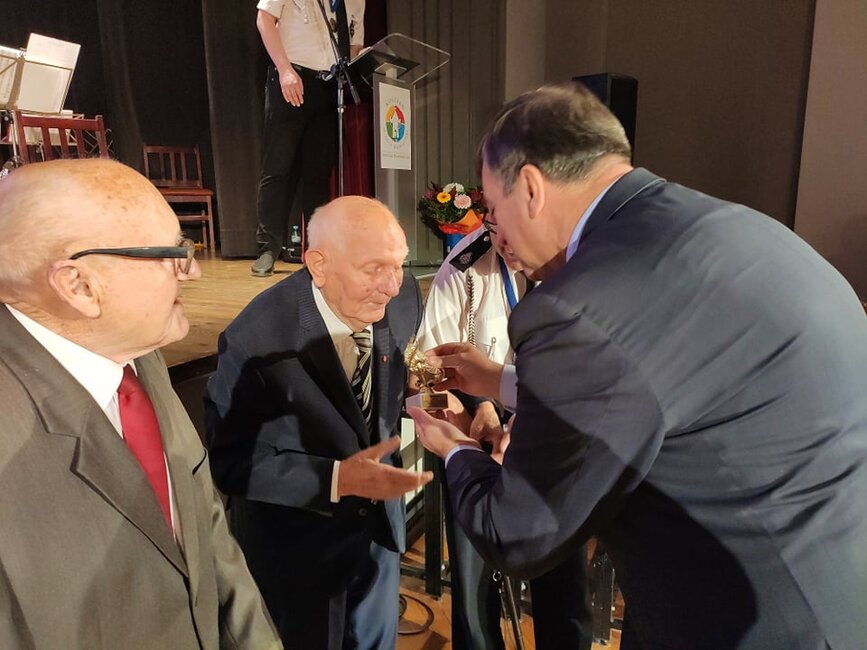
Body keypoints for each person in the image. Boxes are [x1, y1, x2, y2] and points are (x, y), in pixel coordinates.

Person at [410, 81, 867, 649]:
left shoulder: (577, 306)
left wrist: (454, 447)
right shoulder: (741, 228)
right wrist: (496, 380)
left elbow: (520, 533)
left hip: (743, 620)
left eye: (493, 208)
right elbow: (663, 392)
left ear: (529, 188)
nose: (493, 228)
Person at [0, 159, 281, 649]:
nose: (192, 272)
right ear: (79, 286)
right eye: (173, 254)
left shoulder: (137, 352)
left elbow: (205, 527)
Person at [206, 196, 432, 649]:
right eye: (373, 269)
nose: (391, 286)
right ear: (318, 264)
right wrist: (336, 478)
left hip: (378, 533)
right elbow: (231, 463)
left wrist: (429, 395)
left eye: (399, 264)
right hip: (299, 551)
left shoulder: (404, 294)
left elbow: (385, 386)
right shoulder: (256, 340)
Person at [417, 226, 591, 650]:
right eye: (494, 227)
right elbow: (426, 375)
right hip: (477, 440)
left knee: (563, 577)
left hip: (555, 433)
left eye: (513, 227)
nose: (505, 243)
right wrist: (476, 410)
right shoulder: (463, 267)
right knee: (475, 581)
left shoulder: (582, 260)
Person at [252, 0, 366, 276]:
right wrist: (284, 70)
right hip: (292, 78)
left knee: (318, 173)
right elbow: (264, 19)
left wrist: (360, 64)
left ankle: (316, 249)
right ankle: (268, 249)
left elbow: (353, 45)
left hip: (329, 86)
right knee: (278, 169)